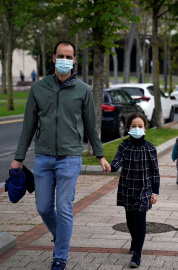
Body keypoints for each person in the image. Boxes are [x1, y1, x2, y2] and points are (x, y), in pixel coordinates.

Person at [10, 41, 111, 270]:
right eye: (61, 55)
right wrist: (19, 157)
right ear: (53, 58)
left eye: (69, 56)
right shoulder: (38, 88)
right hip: (43, 158)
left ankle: (60, 258)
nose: (65, 59)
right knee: (44, 207)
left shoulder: (83, 90)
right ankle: (61, 237)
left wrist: (100, 155)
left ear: (74, 60)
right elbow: (29, 125)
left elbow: (91, 126)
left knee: (64, 208)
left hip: (70, 157)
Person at [110, 112, 160, 268]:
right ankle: (134, 240)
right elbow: (117, 162)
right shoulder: (124, 146)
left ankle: (137, 254)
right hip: (127, 188)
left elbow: (155, 171)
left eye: (140, 126)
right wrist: (109, 167)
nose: (137, 129)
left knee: (140, 219)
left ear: (145, 128)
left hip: (144, 190)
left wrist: (155, 191)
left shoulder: (150, 148)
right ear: (128, 128)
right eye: (133, 126)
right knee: (130, 221)